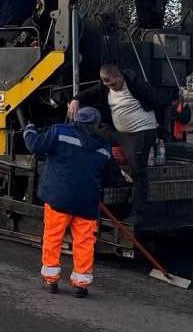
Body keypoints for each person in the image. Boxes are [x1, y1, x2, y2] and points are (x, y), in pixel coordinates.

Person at [23, 107, 111, 297]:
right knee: (85, 241)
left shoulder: (61, 132)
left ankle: (51, 280)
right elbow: (110, 176)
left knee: (53, 237)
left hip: (59, 198)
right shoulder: (104, 145)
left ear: (75, 119)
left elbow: (35, 146)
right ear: (97, 124)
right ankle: (81, 284)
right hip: (87, 201)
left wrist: (29, 129)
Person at [67, 63, 164, 226]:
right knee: (92, 135)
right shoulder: (105, 86)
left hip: (140, 132)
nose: (112, 87)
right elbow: (89, 93)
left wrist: (161, 127)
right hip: (118, 131)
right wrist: (75, 100)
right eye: (107, 84)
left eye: (114, 83)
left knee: (138, 171)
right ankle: (110, 174)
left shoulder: (135, 84)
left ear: (120, 77)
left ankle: (137, 213)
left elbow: (160, 100)